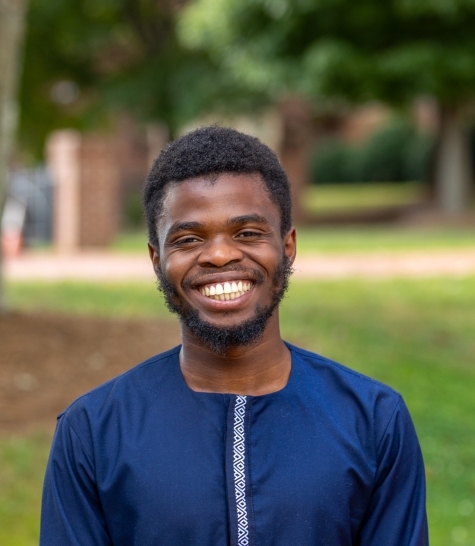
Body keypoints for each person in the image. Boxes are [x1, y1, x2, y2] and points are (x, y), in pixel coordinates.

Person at [40, 126, 428, 545]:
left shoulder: (373, 421)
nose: (221, 255)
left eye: (247, 233)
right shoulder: (94, 432)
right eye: (189, 239)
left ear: (288, 245)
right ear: (157, 259)